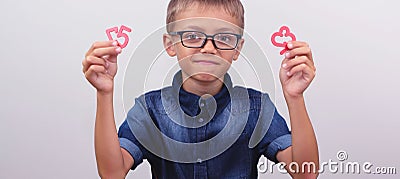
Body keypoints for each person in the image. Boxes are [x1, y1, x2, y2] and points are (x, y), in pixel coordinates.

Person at [82, 0, 319, 178]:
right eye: (193, 36)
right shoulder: (150, 109)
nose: (208, 48)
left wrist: (295, 97)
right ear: (170, 44)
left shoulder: (256, 109)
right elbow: (112, 173)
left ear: (237, 48)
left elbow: (305, 173)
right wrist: (104, 93)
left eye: (224, 38)